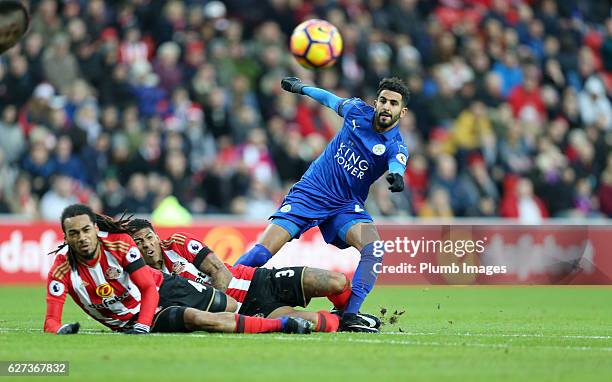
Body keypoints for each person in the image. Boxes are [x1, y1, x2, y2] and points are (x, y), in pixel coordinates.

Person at [234, 77, 410, 332]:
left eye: (393, 103)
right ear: (376, 102)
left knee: (374, 248)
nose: (386, 106)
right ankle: (219, 287)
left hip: (345, 206)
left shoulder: (396, 145)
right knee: (262, 253)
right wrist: (300, 88)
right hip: (310, 193)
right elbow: (330, 99)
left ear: (401, 111)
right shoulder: (357, 111)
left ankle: (349, 315)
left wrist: (396, 176)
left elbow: (397, 163)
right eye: (383, 100)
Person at [44, 204, 312, 335]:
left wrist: (142, 326)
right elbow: (50, 321)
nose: (82, 237)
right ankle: (282, 324)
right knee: (200, 319)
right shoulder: (61, 271)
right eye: (74, 233)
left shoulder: (121, 247)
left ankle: (270, 315)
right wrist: (59, 330)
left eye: (86, 230)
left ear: (95, 229)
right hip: (147, 314)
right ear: (65, 237)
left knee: (227, 305)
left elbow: (149, 287)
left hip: (164, 290)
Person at [127, 218, 381, 333]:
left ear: (156, 237)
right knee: (315, 324)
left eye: (149, 237)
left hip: (257, 281)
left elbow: (219, 272)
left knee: (337, 282)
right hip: (249, 310)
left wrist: (226, 305)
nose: (147, 245)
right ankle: (345, 322)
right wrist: (234, 315)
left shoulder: (178, 244)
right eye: (139, 242)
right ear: (133, 247)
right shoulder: (145, 278)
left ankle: (349, 314)